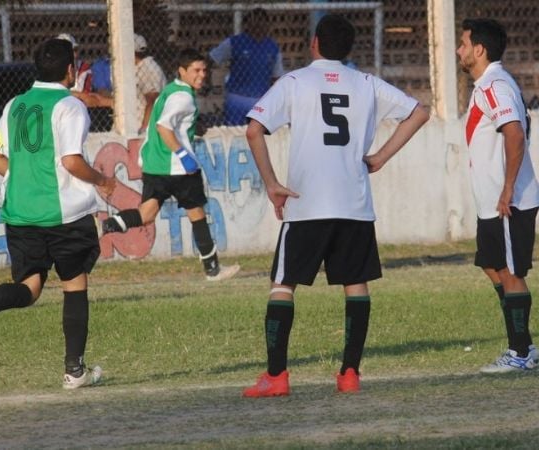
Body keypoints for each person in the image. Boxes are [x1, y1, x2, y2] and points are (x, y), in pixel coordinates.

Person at [243, 14, 429, 396]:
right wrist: (380, 157)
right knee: (355, 284)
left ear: (314, 43)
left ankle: (276, 377)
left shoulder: (295, 81)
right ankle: (349, 374)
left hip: (307, 204)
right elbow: (419, 112)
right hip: (353, 204)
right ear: (349, 49)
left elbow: (253, 129)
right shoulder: (365, 83)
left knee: (283, 285)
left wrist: (273, 184)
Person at [0, 38, 116, 389]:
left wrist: (23, 178)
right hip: (64, 214)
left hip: (20, 212)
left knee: (30, 287)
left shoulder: (15, 104)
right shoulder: (70, 106)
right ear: (71, 70)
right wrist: (103, 180)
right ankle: (74, 371)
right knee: (75, 284)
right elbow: (71, 161)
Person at [101, 49, 240, 282]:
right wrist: (183, 154)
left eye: (204, 70)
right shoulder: (183, 96)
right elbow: (164, 127)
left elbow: (169, 122)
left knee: (146, 215)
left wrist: (193, 128)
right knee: (197, 215)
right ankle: (212, 269)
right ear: (182, 70)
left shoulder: (170, 91)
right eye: (196, 70)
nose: (202, 75)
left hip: (155, 165)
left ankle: (109, 225)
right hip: (177, 167)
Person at [457, 18, 539, 373]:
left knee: (511, 273)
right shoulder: (489, 85)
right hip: (493, 200)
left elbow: (515, 134)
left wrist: (507, 189)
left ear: (479, 49)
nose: (459, 51)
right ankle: (525, 346)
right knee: (492, 266)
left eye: (462, 44)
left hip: (508, 201)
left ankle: (520, 353)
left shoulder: (494, 85)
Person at [209, 8, 285, 126]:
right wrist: (208, 81)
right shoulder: (234, 42)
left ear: (268, 24)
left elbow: (276, 77)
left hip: (260, 100)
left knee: (258, 136)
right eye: (255, 20)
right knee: (233, 134)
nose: (259, 24)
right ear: (247, 23)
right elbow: (212, 58)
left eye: (262, 21)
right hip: (236, 99)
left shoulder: (273, 47)